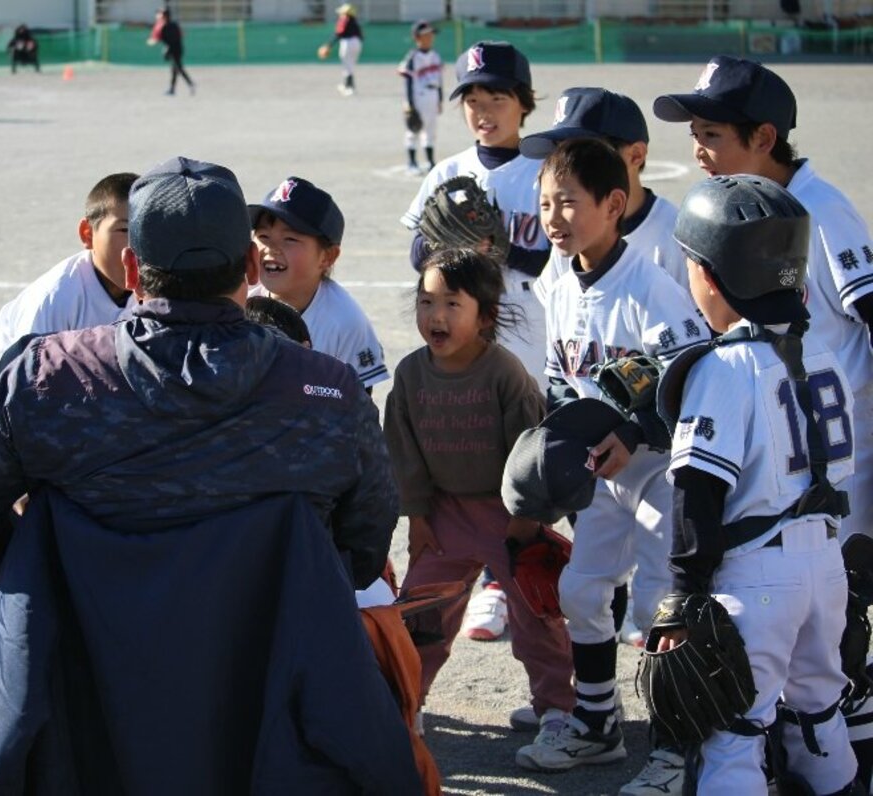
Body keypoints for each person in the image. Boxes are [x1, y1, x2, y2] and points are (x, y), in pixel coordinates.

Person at [0, 156, 418, 791]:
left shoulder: (47, 379)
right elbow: (366, 544)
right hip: (268, 714)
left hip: (83, 713)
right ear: (247, 267)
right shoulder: (324, 391)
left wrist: (59, 571)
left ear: (131, 269)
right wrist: (260, 593)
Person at [654, 54, 873, 789]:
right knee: (820, 707)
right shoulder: (823, 357)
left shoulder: (723, 368)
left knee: (732, 731)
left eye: (712, 133)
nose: (698, 149)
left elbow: (697, 492)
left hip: (762, 559)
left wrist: (685, 591)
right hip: (823, 542)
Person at [513, 139, 706, 791]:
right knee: (580, 590)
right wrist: (559, 444)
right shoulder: (556, 278)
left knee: (657, 605)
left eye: (569, 202)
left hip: (659, 470)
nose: (554, 216)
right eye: (544, 204)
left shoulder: (652, 288)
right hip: (604, 475)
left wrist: (634, 429)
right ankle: (597, 728)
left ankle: (676, 747)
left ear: (614, 204)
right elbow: (562, 378)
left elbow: (691, 382)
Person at [382, 247, 575, 741]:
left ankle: (557, 709)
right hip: (442, 513)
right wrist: (417, 517)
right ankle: (408, 702)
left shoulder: (504, 372)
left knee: (535, 613)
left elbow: (530, 448)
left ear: (485, 316)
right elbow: (404, 451)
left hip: (505, 513)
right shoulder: (410, 374)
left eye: (451, 303)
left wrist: (526, 520)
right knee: (422, 612)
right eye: (426, 302)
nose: (435, 315)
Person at [400, 41, 549, 382]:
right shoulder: (447, 173)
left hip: (530, 312)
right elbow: (416, 254)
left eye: (498, 100)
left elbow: (560, 264)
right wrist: (449, 247)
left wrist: (504, 250)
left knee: (530, 410)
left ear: (523, 103)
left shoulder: (546, 172)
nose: (484, 113)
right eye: (472, 102)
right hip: (459, 313)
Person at [0, 172, 138, 415]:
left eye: (147, 230)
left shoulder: (152, 283)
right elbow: (26, 389)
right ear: (87, 234)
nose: (137, 244)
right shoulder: (57, 299)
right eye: (125, 230)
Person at [524, 86, 687, 300]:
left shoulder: (674, 238)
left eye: (587, 155)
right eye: (561, 153)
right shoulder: (569, 231)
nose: (569, 167)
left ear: (636, 155)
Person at [247, 176, 387, 392]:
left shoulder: (347, 322)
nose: (271, 248)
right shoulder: (240, 296)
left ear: (327, 257)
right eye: (263, 236)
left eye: (290, 239)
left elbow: (359, 406)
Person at [397, 21, 442, 176]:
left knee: (430, 130)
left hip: (432, 95)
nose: (430, 37)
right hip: (418, 96)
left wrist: (440, 100)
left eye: (431, 34)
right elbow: (408, 82)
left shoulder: (435, 55)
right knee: (413, 129)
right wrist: (409, 103)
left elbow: (439, 79)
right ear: (417, 37)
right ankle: (412, 162)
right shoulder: (412, 57)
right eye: (426, 35)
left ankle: (430, 162)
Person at [147, 7, 194, 96]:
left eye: (160, 14)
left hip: (174, 50)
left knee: (178, 68)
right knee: (175, 69)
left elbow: (160, 39)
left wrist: (165, 48)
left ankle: (191, 84)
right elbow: (182, 34)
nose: (158, 16)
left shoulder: (164, 26)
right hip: (178, 49)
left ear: (164, 16)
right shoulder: (173, 24)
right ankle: (173, 89)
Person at [323, 3, 362, 96]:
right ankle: (346, 85)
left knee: (347, 65)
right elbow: (361, 35)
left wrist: (329, 45)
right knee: (350, 65)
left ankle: (350, 87)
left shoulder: (344, 19)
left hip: (347, 43)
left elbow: (339, 33)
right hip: (357, 43)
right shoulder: (355, 21)